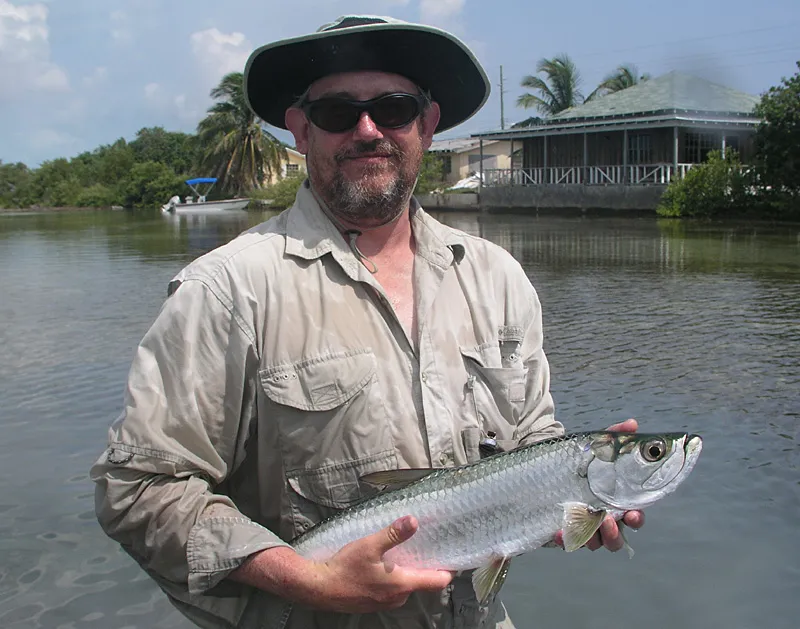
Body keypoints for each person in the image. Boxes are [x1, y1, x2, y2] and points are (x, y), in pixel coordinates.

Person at [91, 15, 643, 629]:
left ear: (427, 125)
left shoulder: (498, 277)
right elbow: (139, 489)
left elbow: (530, 433)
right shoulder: (226, 290)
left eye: (394, 108)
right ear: (301, 130)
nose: (367, 130)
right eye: (337, 113)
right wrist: (304, 578)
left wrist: (582, 482)